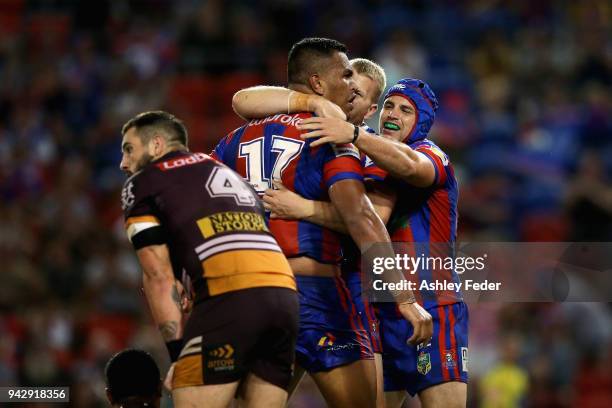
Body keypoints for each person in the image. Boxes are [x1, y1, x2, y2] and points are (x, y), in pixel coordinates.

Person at [213, 38, 432, 408]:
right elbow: (363, 218)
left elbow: (206, 210)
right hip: (319, 295)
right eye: (346, 76)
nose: (352, 85)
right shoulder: (329, 136)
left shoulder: (234, 139)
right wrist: (406, 299)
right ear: (317, 84)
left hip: (253, 292)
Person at [273, 78, 468, 408]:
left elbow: (401, 174)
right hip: (379, 310)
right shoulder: (371, 160)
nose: (394, 113)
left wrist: (305, 207)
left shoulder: (431, 155)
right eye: (390, 105)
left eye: (406, 110)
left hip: (433, 307)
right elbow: (360, 221)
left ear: (421, 121)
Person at [231, 57, 391, 408]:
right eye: (344, 82)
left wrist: (307, 209)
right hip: (310, 286)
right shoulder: (311, 130)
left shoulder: (377, 153)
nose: (349, 91)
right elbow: (242, 100)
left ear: (371, 108)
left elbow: (374, 222)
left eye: (357, 90)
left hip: (361, 292)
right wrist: (311, 102)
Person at [119, 110, 299, 408]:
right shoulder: (226, 173)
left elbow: (158, 277)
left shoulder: (144, 183)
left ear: (156, 146)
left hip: (231, 298)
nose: (123, 163)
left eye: (129, 149)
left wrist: (179, 356)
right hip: (285, 299)